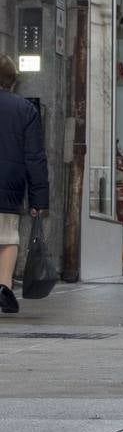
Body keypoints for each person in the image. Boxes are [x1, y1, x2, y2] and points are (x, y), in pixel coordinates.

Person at [0, 54, 49, 315]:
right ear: (12, 82)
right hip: (9, 186)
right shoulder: (25, 110)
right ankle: (4, 286)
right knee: (7, 239)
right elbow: (35, 158)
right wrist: (38, 200)